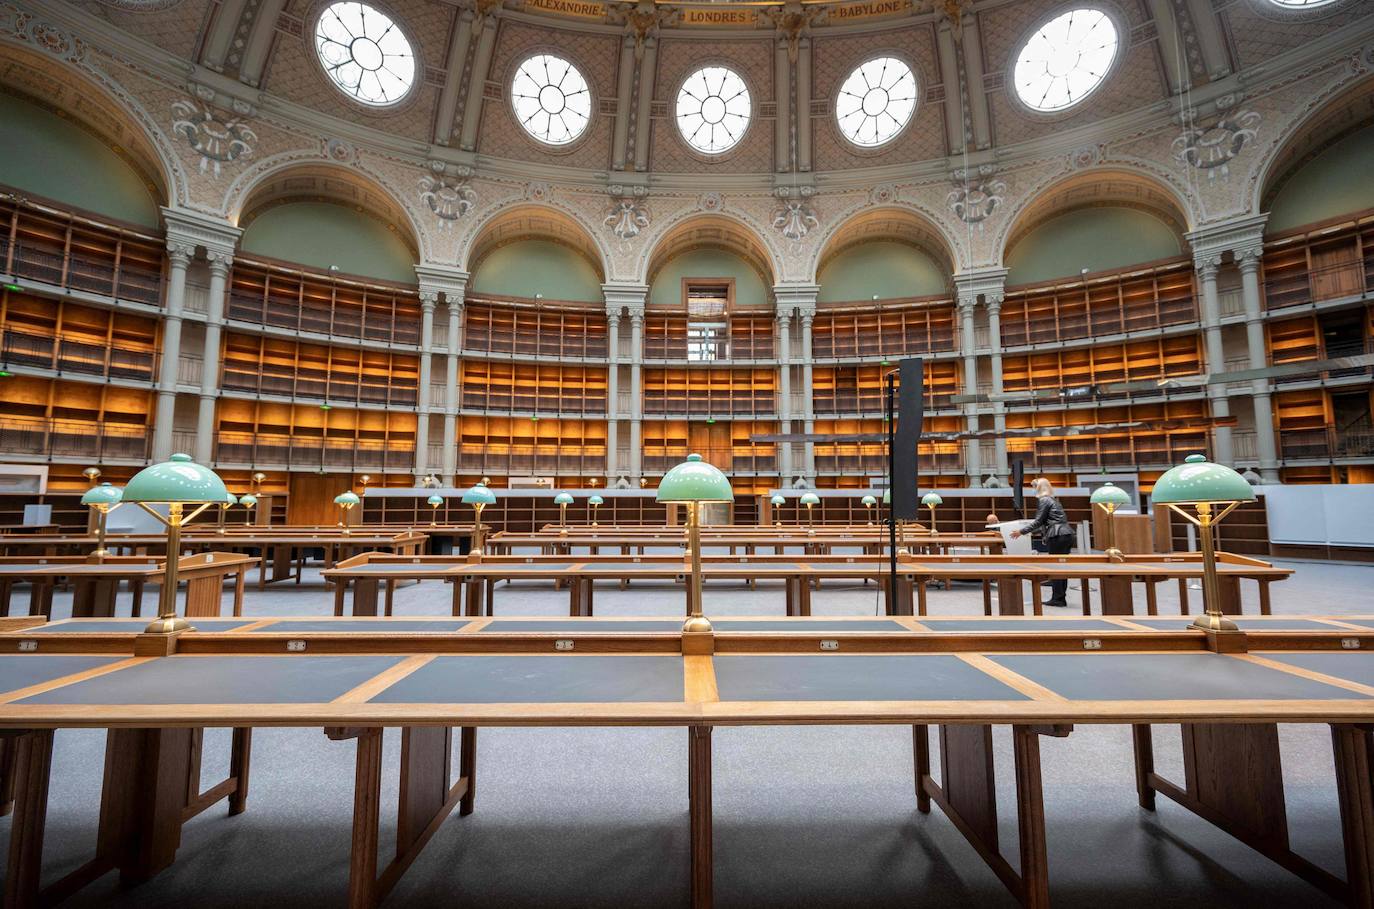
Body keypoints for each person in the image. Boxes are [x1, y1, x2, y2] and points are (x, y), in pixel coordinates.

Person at [1010, 478, 1075, 607]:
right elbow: (1045, 523)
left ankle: (1058, 598)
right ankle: (1060, 597)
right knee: (1062, 568)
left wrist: (1021, 531)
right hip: (1066, 534)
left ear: (1040, 487)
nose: (1033, 489)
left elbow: (1038, 521)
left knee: (1056, 568)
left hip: (1057, 535)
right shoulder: (1053, 500)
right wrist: (1029, 532)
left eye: (1035, 487)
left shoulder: (1044, 500)